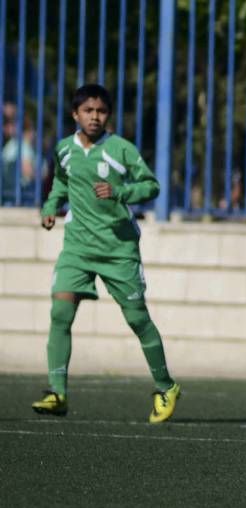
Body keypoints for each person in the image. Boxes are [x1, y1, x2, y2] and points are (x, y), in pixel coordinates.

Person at [33, 84, 180, 423]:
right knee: (60, 312)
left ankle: (166, 386)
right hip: (78, 247)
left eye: (101, 111)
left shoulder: (120, 149)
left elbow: (152, 185)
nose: (95, 117)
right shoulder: (64, 149)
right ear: (76, 114)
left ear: (108, 115)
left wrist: (121, 191)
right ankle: (58, 392)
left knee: (137, 319)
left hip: (118, 249)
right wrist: (50, 206)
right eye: (88, 110)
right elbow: (60, 181)